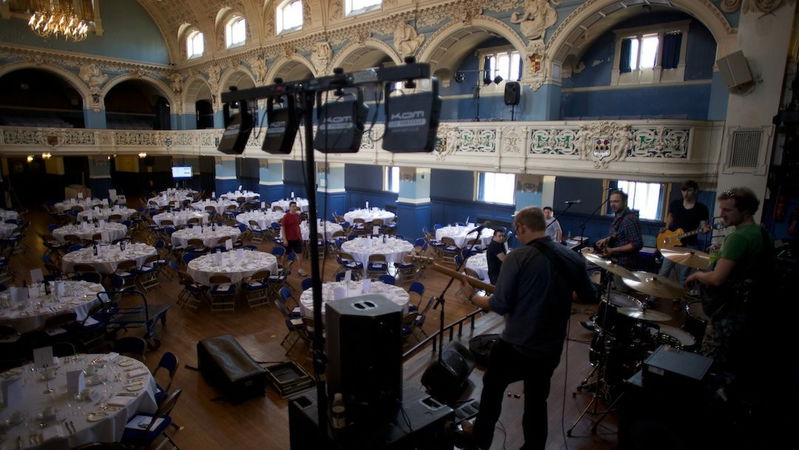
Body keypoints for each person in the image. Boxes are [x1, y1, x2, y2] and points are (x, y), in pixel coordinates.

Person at [459, 207, 595, 450]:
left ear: (521, 227)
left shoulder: (517, 258)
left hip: (517, 344)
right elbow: (588, 295)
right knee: (536, 400)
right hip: (551, 346)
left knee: (492, 388)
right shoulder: (572, 257)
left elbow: (499, 305)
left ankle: (480, 438)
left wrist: (471, 296)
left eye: (516, 229)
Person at [686, 187, 773, 378]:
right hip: (752, 312)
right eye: (721, 208)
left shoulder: (738, 237)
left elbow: (717, 278)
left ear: (745, 211)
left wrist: (697, 275)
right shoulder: (761, 232)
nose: (722, 214)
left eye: (727, 210)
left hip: (729, 314)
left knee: (710, 367)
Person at [658, 180, 710, 285]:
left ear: (695, 191)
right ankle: (655, 294)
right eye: (684, 190)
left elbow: (703, 225)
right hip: (673, 243)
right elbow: (670, 217)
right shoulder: (675, 204)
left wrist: (704, 229)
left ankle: (680, 295)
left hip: (689, 244)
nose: (685, 194)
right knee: (663, 272)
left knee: (683, 277)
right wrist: (666, 229)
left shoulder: (702, 208)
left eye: (689, 191)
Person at [595, 189, 643, 271]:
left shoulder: (629, 219)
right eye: (611, 202)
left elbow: (637, 244)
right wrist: (607, 239)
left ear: (624, 202)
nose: (612, 204)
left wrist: (612, 250)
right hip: (616, 262)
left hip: (626, 265)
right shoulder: (619, 216)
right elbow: (619, 234)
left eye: (616, 201)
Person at [279, 201, 305, 274]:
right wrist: (284, 239)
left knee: (299, 254)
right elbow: (283, 228)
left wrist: (300, 237)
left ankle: (300, 269)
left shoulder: (297, 216)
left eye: (295, 206)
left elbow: (298, 227)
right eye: (293, 206)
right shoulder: (286, 216)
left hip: (297, 238)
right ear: (289, 207)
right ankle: (282, 267)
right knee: (286, 254)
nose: (294, 208)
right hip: (288, 239)